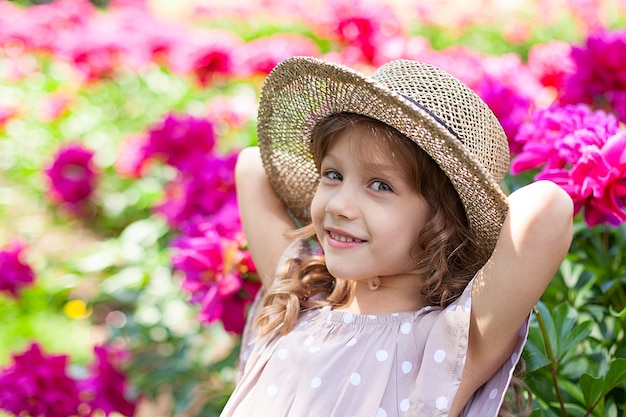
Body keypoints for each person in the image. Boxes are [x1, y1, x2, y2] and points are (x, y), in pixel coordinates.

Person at [221, 56, 573, 417]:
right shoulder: (297, 304)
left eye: (380, 185)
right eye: (333, 174)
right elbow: (252, 166)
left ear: (441, 222)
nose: (339, 204)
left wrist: (474, 216)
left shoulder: (448, 349)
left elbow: (548, 206)